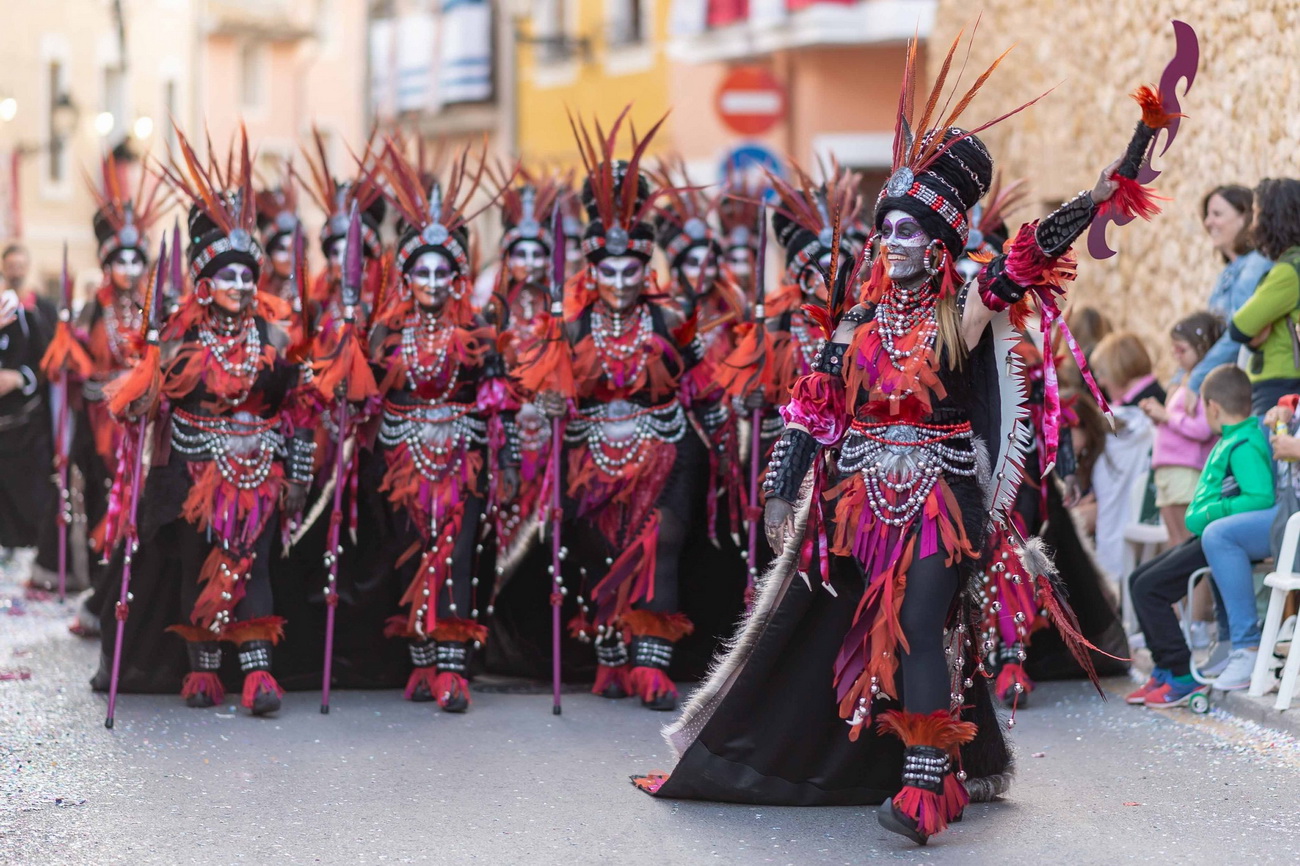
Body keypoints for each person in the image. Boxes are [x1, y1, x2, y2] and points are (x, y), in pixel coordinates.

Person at [639, 38, 1165, 847]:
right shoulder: (853, 323)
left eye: (909, 230)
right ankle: (858, 763)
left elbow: (1030, 258)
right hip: (859, 502)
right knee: (833, 629)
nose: (892, 241)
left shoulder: (966, 310)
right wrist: (780, 489)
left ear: (939, 241)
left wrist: (1102, 190)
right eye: (885, 228)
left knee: (922, 620)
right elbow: (811, 413)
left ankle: (924, 788)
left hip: (939, 501)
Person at [93, 129, 314, 716]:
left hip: (258, 469)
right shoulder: (178, 337)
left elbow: (298, 407)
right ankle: (203, 672)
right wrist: (144, 388)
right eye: (229, 277)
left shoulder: (274, 337)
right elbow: (141, 404)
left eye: (248, 276)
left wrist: (300, 472)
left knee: (253, 564)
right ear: (205, 283)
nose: (241, 287)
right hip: (190, 472)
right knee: (197, 563)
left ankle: (259, 675)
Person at [524, 110, 710, 712]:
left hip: (665, 449)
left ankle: (651, 666)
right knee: (599, 550)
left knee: (663, 541)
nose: (622, 280)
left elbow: (704, 383)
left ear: (646, 267)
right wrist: (549, 403)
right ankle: (611, 654)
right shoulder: (570, 325)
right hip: (591, 455)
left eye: (632, 268)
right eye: (608, 269)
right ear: (591, 268)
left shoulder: (670, 317)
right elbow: (541, 391)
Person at [358, 141, 519, 712]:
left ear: (456, 277)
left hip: (461, 463)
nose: (431, 279)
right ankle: (423, 660)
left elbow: (500, 407)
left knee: (457, 555)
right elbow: (363, 400)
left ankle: (453, 668)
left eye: (441, 270)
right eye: (421, 270)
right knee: (412, 551)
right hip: (401, 463)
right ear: (406, 277)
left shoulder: (479, 332)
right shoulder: (384, 333)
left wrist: (508, 464)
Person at [1127, 365, 1274, 705]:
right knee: (1138, 580)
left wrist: (1212, 513)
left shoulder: (1244, 443)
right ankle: (1165, 668)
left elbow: (1261, 496)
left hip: (1219, 539)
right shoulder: (1233, 439)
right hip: (1209, 537)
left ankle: (1180, 673)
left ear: (1213, 407)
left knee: (1150, 589)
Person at [1139, 312, 1223, 546]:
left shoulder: (1206, 385)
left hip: (1185, 470)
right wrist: (1158, 416)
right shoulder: (1185, 381)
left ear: (1202, 348)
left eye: (1182, 349)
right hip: (1168, 469)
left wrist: (1166, 416)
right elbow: (1178, 424)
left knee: (1185, 541)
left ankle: (1192, 573)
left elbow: (1204, 429)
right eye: (1174, 349)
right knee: (1174, 539)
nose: (1176, 355)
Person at [1088, 331, 1163, 580]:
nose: (1100, 381)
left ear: (1118, 368)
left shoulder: (1135, 414)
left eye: (1102, 372)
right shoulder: (1156, 400)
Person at [1187, 185, 1272, 394]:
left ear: (1245, 217)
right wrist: (1180, 378)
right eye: (1207, 215)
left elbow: (1237, 333)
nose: (1208, 222)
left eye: (1217, 214)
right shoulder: (1229, 272)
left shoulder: (1255, 265)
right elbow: (1206, 337)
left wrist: (1194, 381)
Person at [0, 245, 56, 556]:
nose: (16, 271)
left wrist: (18, 378)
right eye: (11, 265)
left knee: (32, 497)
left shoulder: (35, 312)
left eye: (21, 265)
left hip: (28, 428)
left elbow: (46, 362)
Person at [1228, 177, 1300, 414]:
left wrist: (1253, 334)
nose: (1253, 224)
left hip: (1280, 384)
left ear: (1273, 220)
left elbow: (1240, 328)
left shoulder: (1290, 270)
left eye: (1257, 214)